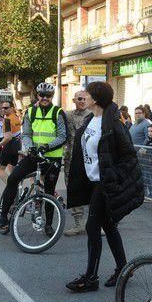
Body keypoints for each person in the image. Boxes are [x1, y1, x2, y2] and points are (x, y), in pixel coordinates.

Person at [65, 81, 143, 292]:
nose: (83, 97)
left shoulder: (112, 124)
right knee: (108, 225)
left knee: (92, 226)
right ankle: (123, 268)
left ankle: (91, 278)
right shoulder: (92, 119)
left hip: (103, 182)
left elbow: (128, 156)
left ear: (96, 99)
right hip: (92, 181)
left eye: (87, 95)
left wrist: (111, 175)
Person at [0, 82, 67, 234]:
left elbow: (63, 136)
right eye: (42, 95)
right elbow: (26, 134)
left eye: (48, 96)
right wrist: (29, 146)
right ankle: (3, 216)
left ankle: (49, 225)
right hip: (33, 156)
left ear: (52, 97)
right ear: (37, 96)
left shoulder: (58, 112)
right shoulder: (30, 112)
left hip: (52, 159)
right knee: (13, 179)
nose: (45, 98)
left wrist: (47, 146)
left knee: (49, 192)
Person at [63, 89, 92, 236]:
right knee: (73, 189)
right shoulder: (67, 115)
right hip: (71, 158)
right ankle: (79, 224)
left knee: (93, 190)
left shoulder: (94, 116)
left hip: (90, 158)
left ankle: (95, 223)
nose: (81, 101)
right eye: (78, 99)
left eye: (84, 99)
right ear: (74, 100)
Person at [0, 100, 22, 181]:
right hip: (17, 146)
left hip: (9, 147)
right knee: (11, 170)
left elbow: (8, 138)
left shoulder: (7, 120)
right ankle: (15, 189)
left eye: (6, 108)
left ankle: (11, 188)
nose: (3, 110)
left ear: (12, 108)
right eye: (2, 108)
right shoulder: (16, 117)